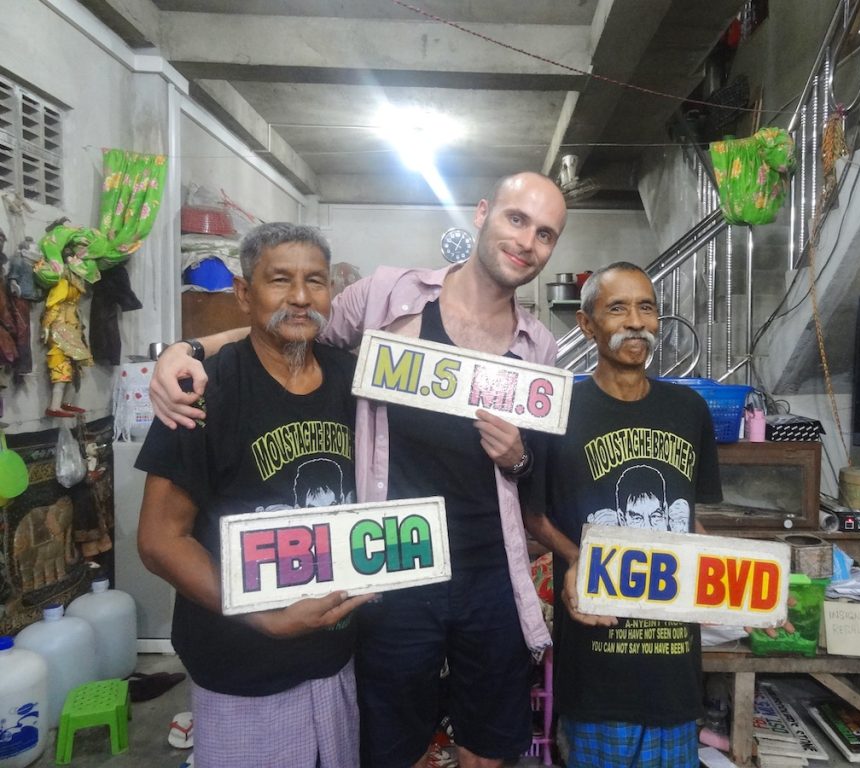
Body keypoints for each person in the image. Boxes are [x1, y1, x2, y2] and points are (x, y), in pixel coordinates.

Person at [147, 172, 568, 768]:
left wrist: (516, 456)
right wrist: (186, 349)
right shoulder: (388, 295)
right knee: (390, 742)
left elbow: (530, 466)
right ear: (482, 214)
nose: (526, 241)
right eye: (517, 219)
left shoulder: (538, 346)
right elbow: (292, 326)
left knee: (488, 741)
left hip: (490, 569)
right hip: (391, 563)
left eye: (545, 233)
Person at [136, 222, 375, 768]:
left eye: (315, 281)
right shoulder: (205, 391)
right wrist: (264, 615)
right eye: (279, 280)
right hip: (241, 662)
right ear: (245, 293)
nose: (299, 297)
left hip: (337, 655)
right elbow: (159, 540)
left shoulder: (352, 380)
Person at [522, 262, 723, 768]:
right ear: (587, 325)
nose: (635, 321)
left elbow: (690, 520)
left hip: (674, 666)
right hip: (597, 665)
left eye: (646, 307)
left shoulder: (689, 409)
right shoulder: (559, 408)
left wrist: (737, 580)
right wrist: (577, 559)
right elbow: (532, 514)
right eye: (618, 308)